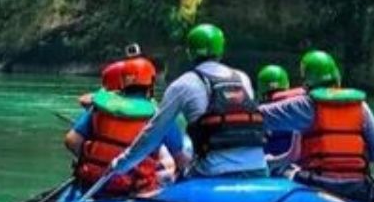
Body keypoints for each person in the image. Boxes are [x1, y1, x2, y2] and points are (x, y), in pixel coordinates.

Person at [110, 24, 268, 179]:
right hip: (258, 168)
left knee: (171, 177)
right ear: (221, 50)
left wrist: (120, 165)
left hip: (212, 173)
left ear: (189, 52)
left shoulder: (182, 84)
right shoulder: (243, 79)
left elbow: (153, 134)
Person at [259, 50, 374, 202]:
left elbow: (259, 115)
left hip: (319, 184)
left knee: (281, 171)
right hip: (357, 186)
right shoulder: (361, 106)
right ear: (337, 76)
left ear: (306, 83)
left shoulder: (305, 104)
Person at [65, 56, 184, 196]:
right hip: (132, 187)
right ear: (151, 84)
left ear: (122, 81)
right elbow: (180, 158)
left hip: (94, 181)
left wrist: (90, 159)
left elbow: (72, 141)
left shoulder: (100, 107)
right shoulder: (159, 115)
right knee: (167, 167)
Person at [257, 64, 304, 171]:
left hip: (288, 169)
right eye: (271, 96)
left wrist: (270, 162)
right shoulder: (299, 110)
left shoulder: (298, 112)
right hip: (271, 169)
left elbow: (295, 156)